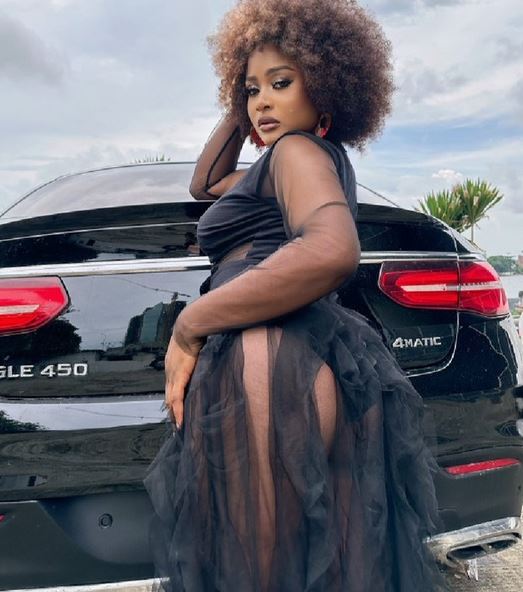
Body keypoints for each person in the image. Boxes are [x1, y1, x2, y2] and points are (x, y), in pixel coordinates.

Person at [145, 1, 447, 590]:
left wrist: (189, 326)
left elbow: (331, 250)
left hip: (266, 355)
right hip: (295, 355)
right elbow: (205, 183)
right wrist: (246, 102)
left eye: (281, 83)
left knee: (261, 564)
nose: (262, 102)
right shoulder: (295, 161)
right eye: (251, 89)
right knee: (308, 560)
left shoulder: (296, 152)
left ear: (327, 88)